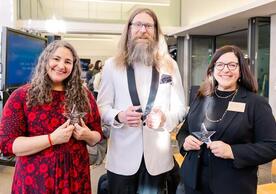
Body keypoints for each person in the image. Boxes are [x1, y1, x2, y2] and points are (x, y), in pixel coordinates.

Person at [97, 8, 186, 194]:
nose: (143, 30)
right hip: (121, 160)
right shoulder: (112, 66)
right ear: (129, 29)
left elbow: (179, 108)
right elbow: (102, 107)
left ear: (155, 31)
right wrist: (119, 116)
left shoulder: (170, 66)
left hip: (158, 160)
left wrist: (164, 119)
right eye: (137, 24)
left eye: (148, 26)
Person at [0, 40, 102, 193]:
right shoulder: (21, 96)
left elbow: (97, 136)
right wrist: (52, 139)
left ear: (73, 67)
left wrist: (87, 135)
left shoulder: (84, 96)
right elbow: (9, 144)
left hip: (75, 176)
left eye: (68, 61)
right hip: (35, 179)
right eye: (56, 59)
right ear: (45, 60)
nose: (61, 66)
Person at [176, 45, 276, 194]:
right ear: (212, 70)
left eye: (232, 65)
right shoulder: (201, 97)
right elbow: (183, 132)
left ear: (241, 70)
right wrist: (185, 142)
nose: (225, 70)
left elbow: (271, 146)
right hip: (191, 183)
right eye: (220, 65)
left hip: (232, 186)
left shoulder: (255, 103)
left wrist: (232, 151)